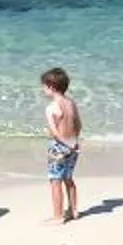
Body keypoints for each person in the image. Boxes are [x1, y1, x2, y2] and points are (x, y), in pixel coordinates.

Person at [40, 67, 83, 223]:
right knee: (68, 179)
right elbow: (78, 124)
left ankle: (58, 215)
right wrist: (74, 142)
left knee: (55, 180)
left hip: (59, 147)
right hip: (73, 144)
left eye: (44, 87)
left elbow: (55, 133)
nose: (43, 90)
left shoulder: (51, 107)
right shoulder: (71, 103)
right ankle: (73, 210)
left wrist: (52, 134)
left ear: (51, 87)